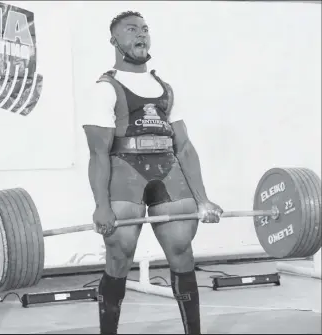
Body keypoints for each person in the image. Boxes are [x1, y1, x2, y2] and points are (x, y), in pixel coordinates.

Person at [83, 11, 223, 335]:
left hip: (167, 169)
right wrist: (101, 205)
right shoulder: (104, 89)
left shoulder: (165, 88)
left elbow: (185, 147)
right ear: (114, 40)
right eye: (131, 30)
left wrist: (203, 200)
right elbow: (98, 153)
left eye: (145, 29)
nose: (141, 35)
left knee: (181, 251)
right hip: (125, 171)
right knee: (119, 256)